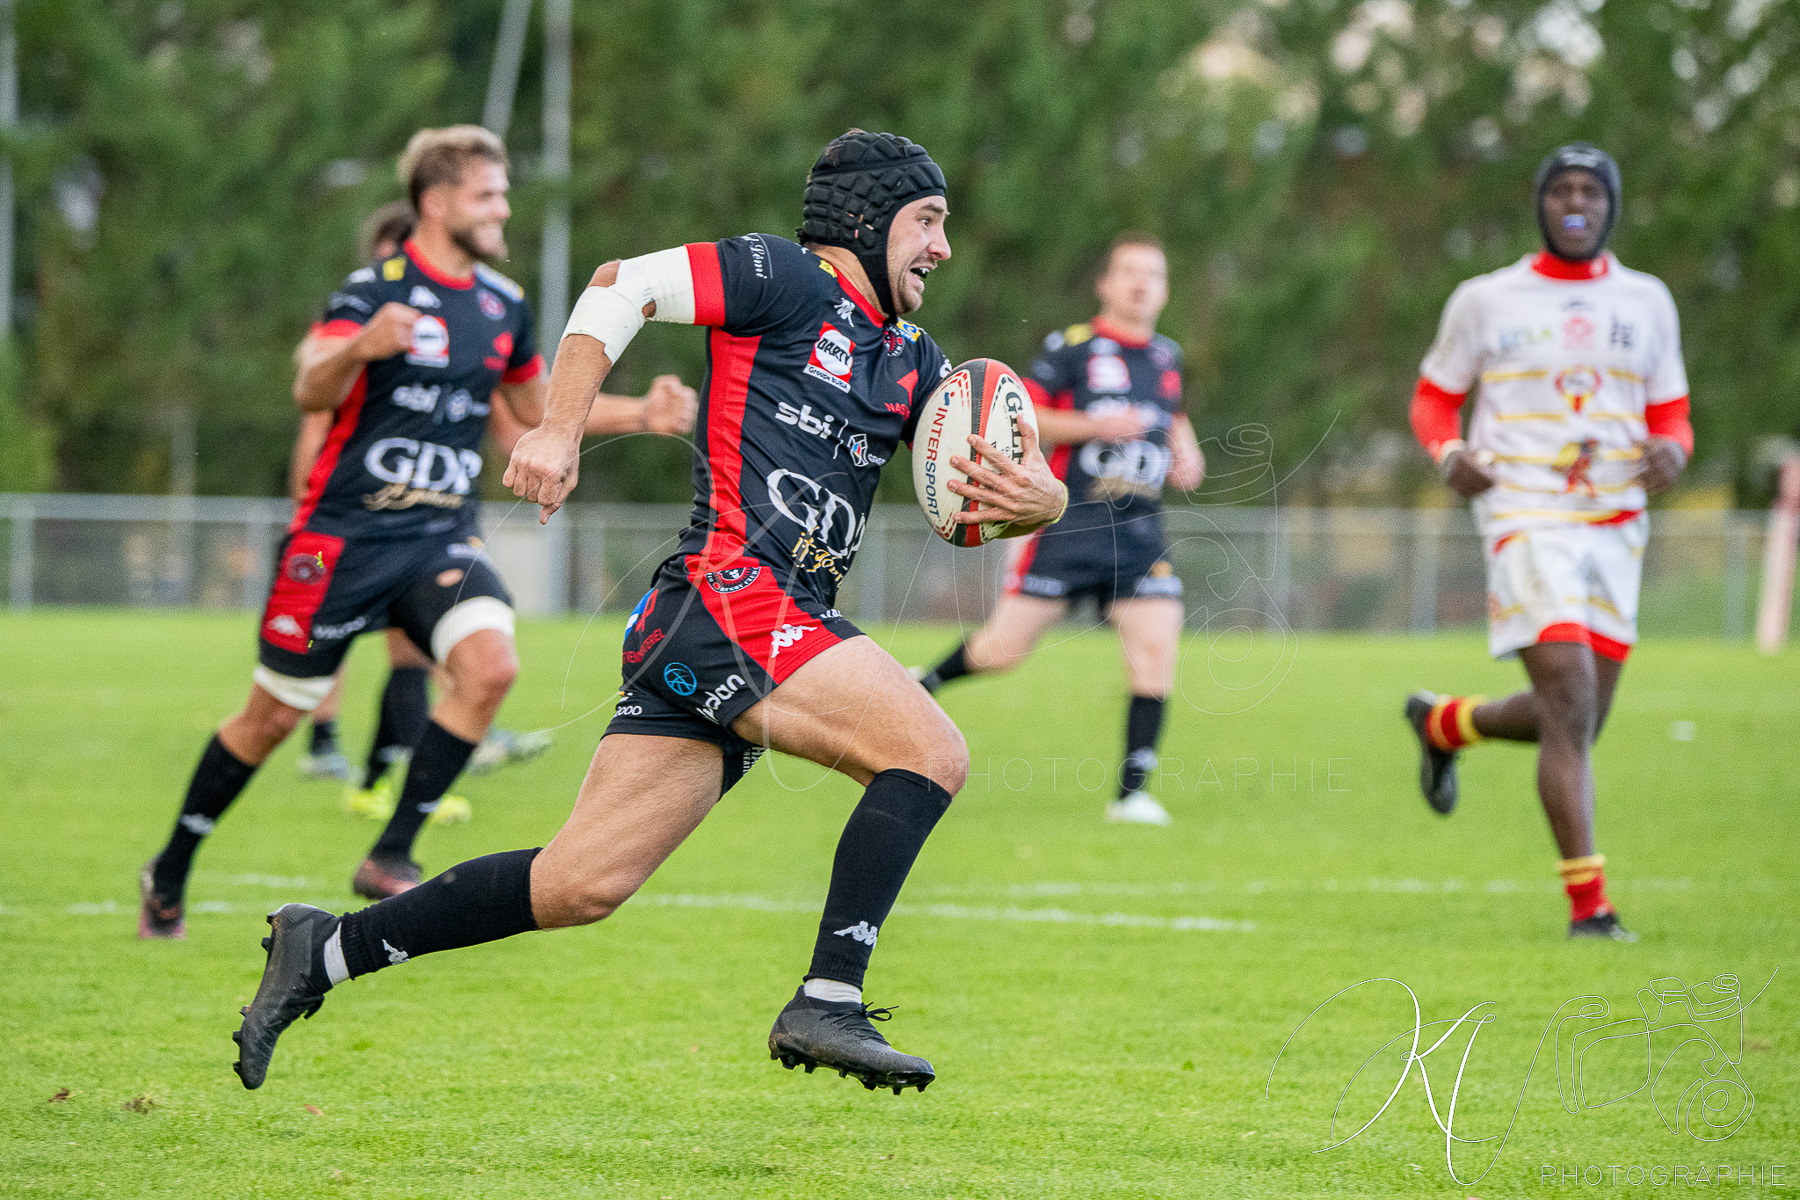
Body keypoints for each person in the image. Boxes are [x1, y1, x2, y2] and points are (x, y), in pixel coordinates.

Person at [228, 130, 1068, 1097]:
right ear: (871, 219)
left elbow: (979, 490)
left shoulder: (914, 359)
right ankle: (828, 998)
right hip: (728, 594)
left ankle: (323, 949)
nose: (942, 249)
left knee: (579, 884)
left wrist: (1041, 501)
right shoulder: (781, 278)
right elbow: (620, 283)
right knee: (930, 752)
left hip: (743, 622)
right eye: (928, 222)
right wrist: (557, 426)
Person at [137, 125, 690, 942]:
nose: (503, 208)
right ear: (436, 203)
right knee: (270, 720)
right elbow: (308, 388)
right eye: (486, 195)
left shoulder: (502, 306)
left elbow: (529, 413)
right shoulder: (373, 292)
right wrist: (362, 346)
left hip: (439, 537)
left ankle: (390, 853)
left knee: (491, 665)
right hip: (342, 539)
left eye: (503, 192)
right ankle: (171, 868)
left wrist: (640, 412)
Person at [1403, 143, 1693, 941]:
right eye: (1561, 189)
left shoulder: (1648, 301)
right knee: (1569, 699)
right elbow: (1434, 399)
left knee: (1580, 719)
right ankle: (1589, 908)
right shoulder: (1487, 299)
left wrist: (1677, 450)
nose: (1576, 203)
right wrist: (1450, 454)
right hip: (1523, 513)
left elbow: (1670, 412)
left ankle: (1444, 724)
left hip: (1617, 523)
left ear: (1611, 206)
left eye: (1591, 191)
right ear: (1541, 203)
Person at [915, 234, 1204, 825]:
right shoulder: (1070, 349)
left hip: (1140, 535)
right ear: (1105, 283)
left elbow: (1172, 417)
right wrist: (1094, 424)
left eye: (1154, 274)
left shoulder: (1166, 357)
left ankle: (1132, 794)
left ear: (1166, 289)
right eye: (1129, 271)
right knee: (1000, 652)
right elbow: (1021, 416)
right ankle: (924, 682)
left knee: (1155, 653)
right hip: (1066, 529)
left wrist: (1186, 450)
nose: (1141, 283)